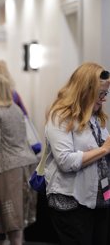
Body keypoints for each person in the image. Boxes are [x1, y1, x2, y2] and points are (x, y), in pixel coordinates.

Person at [45, 62, 110, 245]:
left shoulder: (96, 117)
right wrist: (104, 149)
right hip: (72, 202)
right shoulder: (60, 116)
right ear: (85, 90)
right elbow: (65, 161)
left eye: (106, 93)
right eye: (101, 93)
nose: (104, 99)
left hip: (98, 200)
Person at [0, 73, 37, 245]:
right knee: (17, 220)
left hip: (7, 168)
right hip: (26, 165)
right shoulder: (16, 109)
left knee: (9, 221)